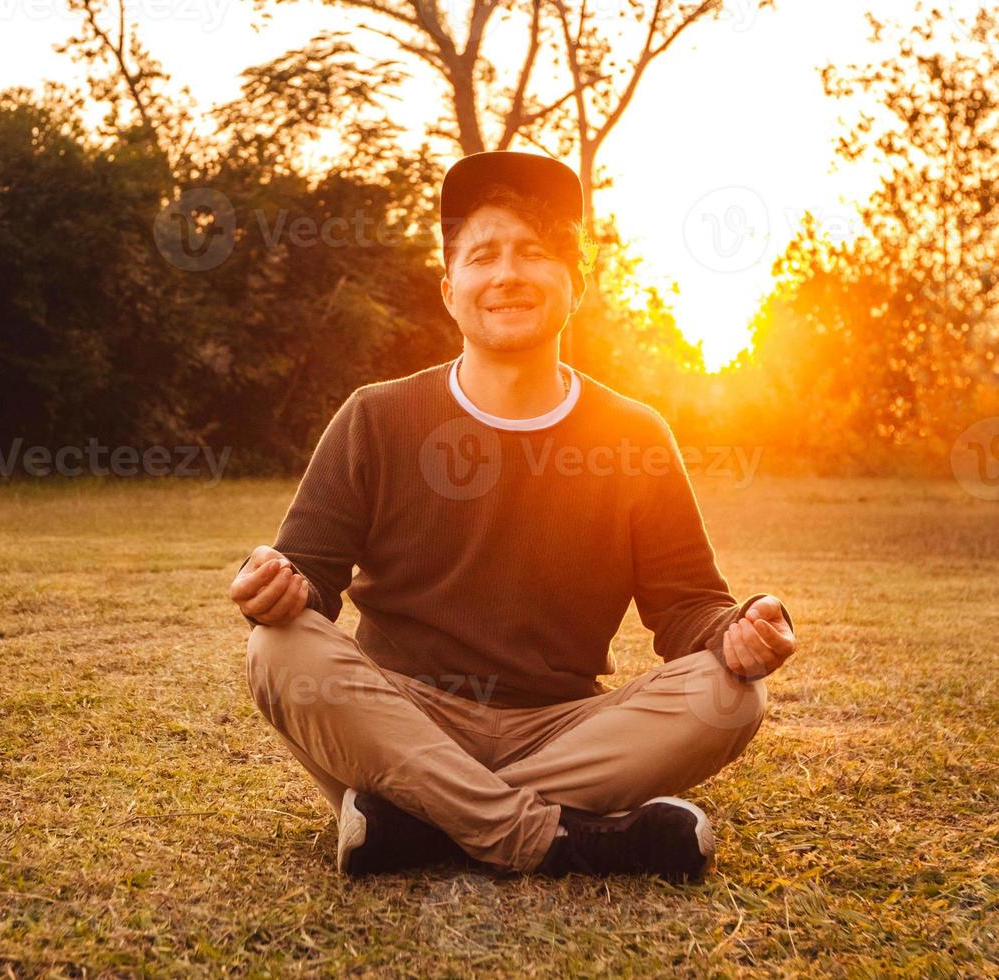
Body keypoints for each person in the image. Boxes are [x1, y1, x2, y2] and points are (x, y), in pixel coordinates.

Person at [228, 151, 797, 882]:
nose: (507, 274)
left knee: (730, 695)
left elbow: (687, 608)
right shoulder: (377, 416)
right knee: (278, 650)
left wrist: (742, 629)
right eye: (483, 256)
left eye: (534, 253)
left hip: (562, 726)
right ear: (449, 289)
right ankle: (564, 840)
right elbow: (306, 578)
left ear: (576, 284)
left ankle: (419, 826)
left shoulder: (633, 434)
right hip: (403, 718)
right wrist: (273, 581)